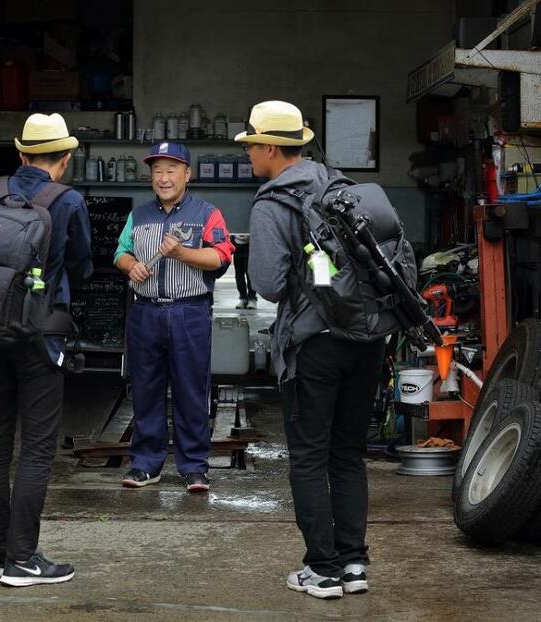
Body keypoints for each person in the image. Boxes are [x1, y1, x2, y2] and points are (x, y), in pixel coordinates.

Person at [240, 100, 384, 600]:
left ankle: (321, 570)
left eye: (252, 144)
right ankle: (354, 564)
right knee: (348, 454)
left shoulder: (271, 203)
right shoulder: (342, 186)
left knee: (307, 456)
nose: (249, 153)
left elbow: (269, 285)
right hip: (367, 339)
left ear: (274, 148)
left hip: (314, 343)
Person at [0, 113, 92, 586]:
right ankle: (24, 559)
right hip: (42, 332)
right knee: (37, 447)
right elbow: (82, 266)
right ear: (63, 159)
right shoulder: (68, 200)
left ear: (21, 154)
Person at [113, 141, 234, 493]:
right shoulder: (138, 216)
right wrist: (131, 265)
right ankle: (145, 464)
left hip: (189, 311)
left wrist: (182, 252)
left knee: (190, 391)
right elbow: (120, 252)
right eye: (157, 171)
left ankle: (194, 467)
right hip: (146, 312)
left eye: (171, 170)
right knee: (146, 389)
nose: (163, 178)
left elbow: (221, 258)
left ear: (187, 174)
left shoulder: (207, 214)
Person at [231, 233, 257, 309]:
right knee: (239, 274)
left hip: (250, 245)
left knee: (250, 274)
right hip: (237, 245)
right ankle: (243, 297)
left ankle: (252, 298)